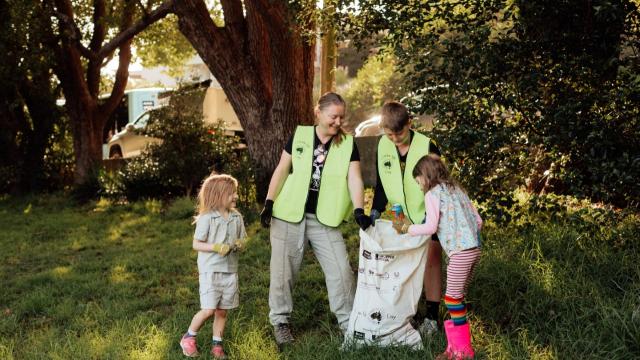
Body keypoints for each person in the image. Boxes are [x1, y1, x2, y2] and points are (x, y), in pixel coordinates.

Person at [260, 92, 369, 347]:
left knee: (341, 272)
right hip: (288, 214)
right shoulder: (299, 135)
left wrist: (359, 209)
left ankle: (349, 324)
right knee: (282, 272)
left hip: (325, 219)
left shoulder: (347, 143)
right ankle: (280, 322)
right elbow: (282, 169)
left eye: (342, 117)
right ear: (318, 112)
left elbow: (354, 178)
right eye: (333, 116)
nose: (338, 122)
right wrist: (269, 202)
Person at [395, 155, 482, 359]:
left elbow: (431, 227)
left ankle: (463, 351)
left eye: (418, 181)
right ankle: (453, 348)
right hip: (474, 250)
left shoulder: (432, 195)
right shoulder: (458, 190)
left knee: (452, 300)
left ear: (425, 177)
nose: (418, 186)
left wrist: (408, 228)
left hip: (460, 254)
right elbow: (479, 221)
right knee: (456, 299)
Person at [369, 100, 443, 336]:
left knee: (431, 260)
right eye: (389, 134)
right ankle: (406, 313)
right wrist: (375, 210)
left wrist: (431, 219)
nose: (394, 139)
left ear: (409, 124)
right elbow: (381, 182)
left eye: (398, 133)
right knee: (405, 262)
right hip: (398, 212)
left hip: (427, 212)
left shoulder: (427, 144)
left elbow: (439, 186)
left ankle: (432, 317)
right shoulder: (383, 145)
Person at [179, 174, 247, 359]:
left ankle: (217, 345)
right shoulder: (207, 218)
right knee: (209, 309)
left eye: (235, 193)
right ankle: (188, 337)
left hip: (230, 270)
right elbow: (196, 244)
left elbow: (243, 238)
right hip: (210, 271)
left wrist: (241, 243)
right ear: (218, 195)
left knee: (222, 310)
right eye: (231, 193)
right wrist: (215, 247)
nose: (235, 196)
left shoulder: (236, 217)